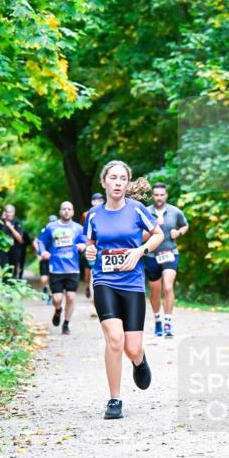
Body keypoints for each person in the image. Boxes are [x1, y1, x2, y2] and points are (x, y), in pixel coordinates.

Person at [84, 160, 164, 420]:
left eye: (122, 179)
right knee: (114, 339)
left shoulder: (137, 209)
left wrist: (140, 251)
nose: (118, 183)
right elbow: (90, 245)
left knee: (132, 348)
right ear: (104, 182)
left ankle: (139, 360)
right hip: (104, 281)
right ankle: (114, 399)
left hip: (132, 284)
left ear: (127, 183)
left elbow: (158, 235)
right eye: (113, 178)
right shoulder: (93, 214)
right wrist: (90, 252)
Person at [143, 183, 189, 338]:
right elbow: (140, 236)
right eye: (156, 195)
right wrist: (154, 227)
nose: (159, 198)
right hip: (151, 256)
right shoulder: (146, 212)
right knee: (155, 291)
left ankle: (168, 323)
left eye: (162, 195)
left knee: (168, 287)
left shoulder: (175, 211)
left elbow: (185, 226)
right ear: (152, 196)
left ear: (166, 195)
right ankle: (158, 320)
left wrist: (178, 233)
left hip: (170, 253)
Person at [36, 201, 85, 335]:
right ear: (60, 211)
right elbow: (41, 241)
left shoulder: (78, 228)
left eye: (69, 209)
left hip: (73, 269)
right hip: (56, 268)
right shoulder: (51, 227)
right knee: (57, 299)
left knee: (70, 297)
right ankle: (58, 310)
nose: (66, 211)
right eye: (64, 209)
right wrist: (43, 251)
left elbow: (86, 241)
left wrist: (83, 246)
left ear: (73, 212)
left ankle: (66, 324)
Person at [0, 204, 26, 283]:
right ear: (5, 212)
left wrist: (11, 227)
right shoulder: (0, 222)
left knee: (13, 269)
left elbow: (20, 239)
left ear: (14, 212)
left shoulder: (17, 222)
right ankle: (5, 284)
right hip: (3, 249)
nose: (9, 214)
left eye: (11, 212)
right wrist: (1, 219)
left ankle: (12, 284)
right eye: (7, 212)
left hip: (15, 249)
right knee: (4, 268)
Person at [82, 193, 105, 299]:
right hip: (91, 247)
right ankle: (88, 287)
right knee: (89, 271)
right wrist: (85, 244)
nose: (99, 202)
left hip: (103, 248)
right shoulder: (86, 214)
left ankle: (96, 297)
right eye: (97, 200)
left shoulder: (107, 212)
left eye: (101, 200)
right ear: (92, 202)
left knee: (94, 272)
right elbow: (83, 231)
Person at [38, 214, 57, 303]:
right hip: (44, 257)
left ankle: (50, 296)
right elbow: (40, 242)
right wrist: (40, 254)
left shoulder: (60, 231)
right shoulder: (44, 231)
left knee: (53, 279)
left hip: (55, 259)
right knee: (44, 279)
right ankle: (45, 289)